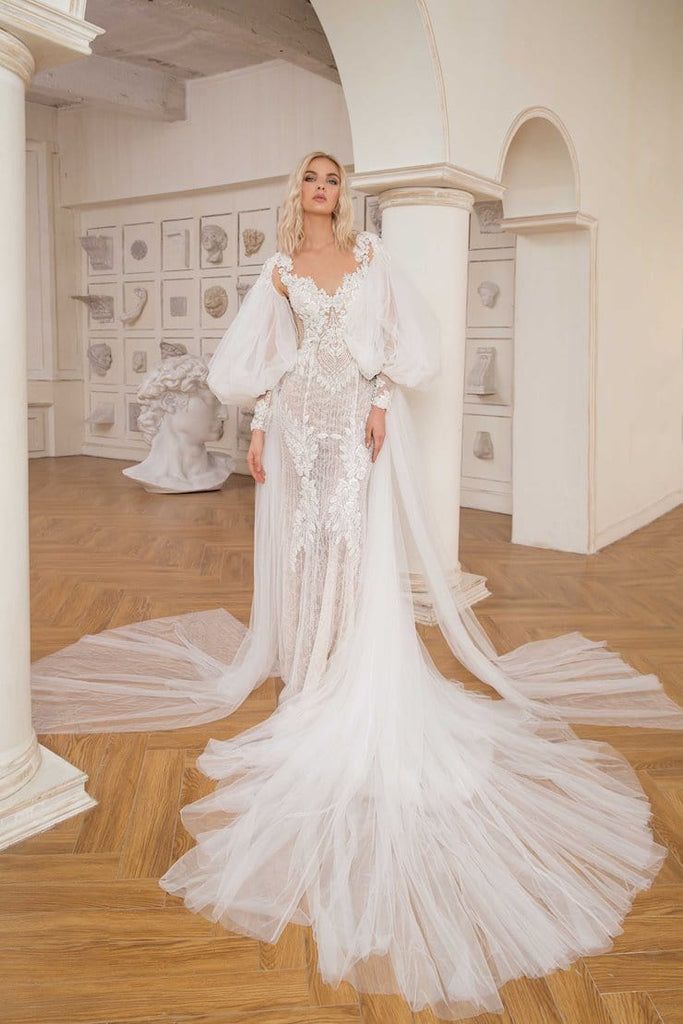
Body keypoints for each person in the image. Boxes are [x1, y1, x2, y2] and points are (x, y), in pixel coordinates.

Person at [30, 150, 683, 1021]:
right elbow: (261, 354)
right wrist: (261, 426)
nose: (323, 190)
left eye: (332, 179)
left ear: (343, 194)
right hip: (298, 418)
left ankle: (347, 662)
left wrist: (378, 398)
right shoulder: (279, 267)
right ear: (295, 193)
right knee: (303, 545)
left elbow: (403, 346)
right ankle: (310, 660)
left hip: (352, 417)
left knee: (352, 540)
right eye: (311, 179)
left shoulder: (369, 257)